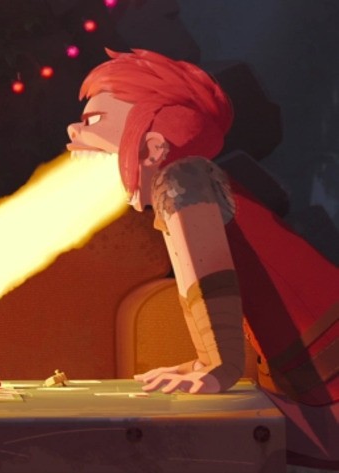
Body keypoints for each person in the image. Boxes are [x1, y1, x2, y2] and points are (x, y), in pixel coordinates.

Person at [67, 48, 339, 467]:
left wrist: (220, 368)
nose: (74, 130)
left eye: (95, 120)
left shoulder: (185, 180)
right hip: (305, 373)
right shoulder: (182, 185)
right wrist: (207, 361)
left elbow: (211, 278)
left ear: (154, 145)